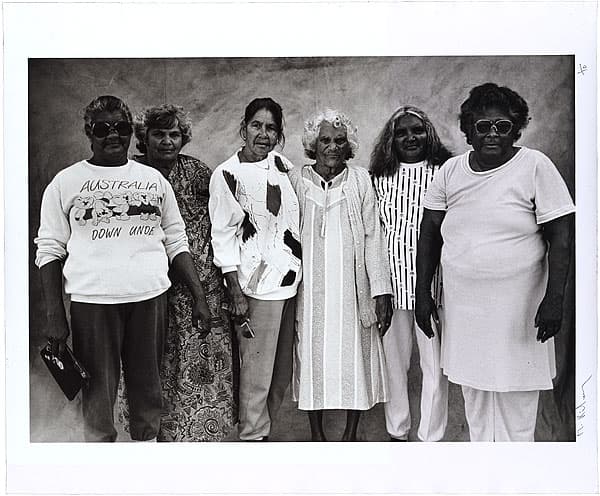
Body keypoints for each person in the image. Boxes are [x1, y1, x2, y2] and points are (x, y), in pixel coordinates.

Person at [34, 95, 210, 442]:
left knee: (148, 393)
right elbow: (49, 249)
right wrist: (56, 314)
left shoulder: (152, 180)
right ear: (89, 132)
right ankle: (103, 475)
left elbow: (176, 240)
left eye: (122, 127)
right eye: (103, 128)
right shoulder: (65, 182)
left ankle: (143, 471)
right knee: (98, 399)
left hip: (149, 299)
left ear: (132, 132)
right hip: (94, 303)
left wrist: (199, 295)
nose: (113, 135)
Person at [416, 83, 575, 442]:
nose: (492, 134)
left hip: (519, 313)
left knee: (516, 406)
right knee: (476, 401)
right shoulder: (450, 172)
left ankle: (516, 479)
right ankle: (484, 478)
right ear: (468, 129)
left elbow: (561, 239)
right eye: (483, 126)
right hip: (466, 311)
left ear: (516, 128)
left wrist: (554, 302)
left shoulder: (535, 166)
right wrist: (421, 294)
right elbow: (428, 234)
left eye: (502, 126)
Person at [117, 104, 234, 441]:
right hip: (148, 288)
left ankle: (197, 442)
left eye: (174, 134)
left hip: (199, 289)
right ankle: (155, 441)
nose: (167, 141)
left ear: (183, 139)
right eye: (159, 134)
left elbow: (223, 224)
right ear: (144, 138)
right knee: (153, 366)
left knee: (198, 367)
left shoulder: (199, 174)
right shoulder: (130, 175)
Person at [289, 109, 393, 441]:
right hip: (310, 290)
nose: (332, 147)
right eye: (324, 140)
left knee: (355, 359)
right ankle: (317, 434)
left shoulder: (361, 179)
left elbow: (374, 236)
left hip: (352, 290)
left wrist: (380, 290)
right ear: (312, 144)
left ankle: (350, 434)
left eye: (339, 140)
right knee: (311, 356)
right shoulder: (295, 180)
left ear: (348, 145)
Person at [208, 97, 301, 441]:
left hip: (291, 284)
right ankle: (251, 437)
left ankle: (264, 433)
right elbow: (223, 236)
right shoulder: (228, 174)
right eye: (257, 125)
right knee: (256, 374)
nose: (263, 134)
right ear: (243, 128)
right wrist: (235, 291)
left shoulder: (280, 165)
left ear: (279, 133)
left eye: (271, 127)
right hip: (256, 288)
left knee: (280, 374)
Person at [370, 106, 451, 442]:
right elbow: (373, 235)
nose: (410, 137)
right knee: (394, 366)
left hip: (431, 287)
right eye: (401, 132)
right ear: (391, 139)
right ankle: (397, 432)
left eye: (416, 130)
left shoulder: (445, 172)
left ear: (427, 132)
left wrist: (431, 290)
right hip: (391, 288)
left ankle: (429, 440)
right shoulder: (378, 178)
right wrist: (378, 290)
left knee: (433, 366)